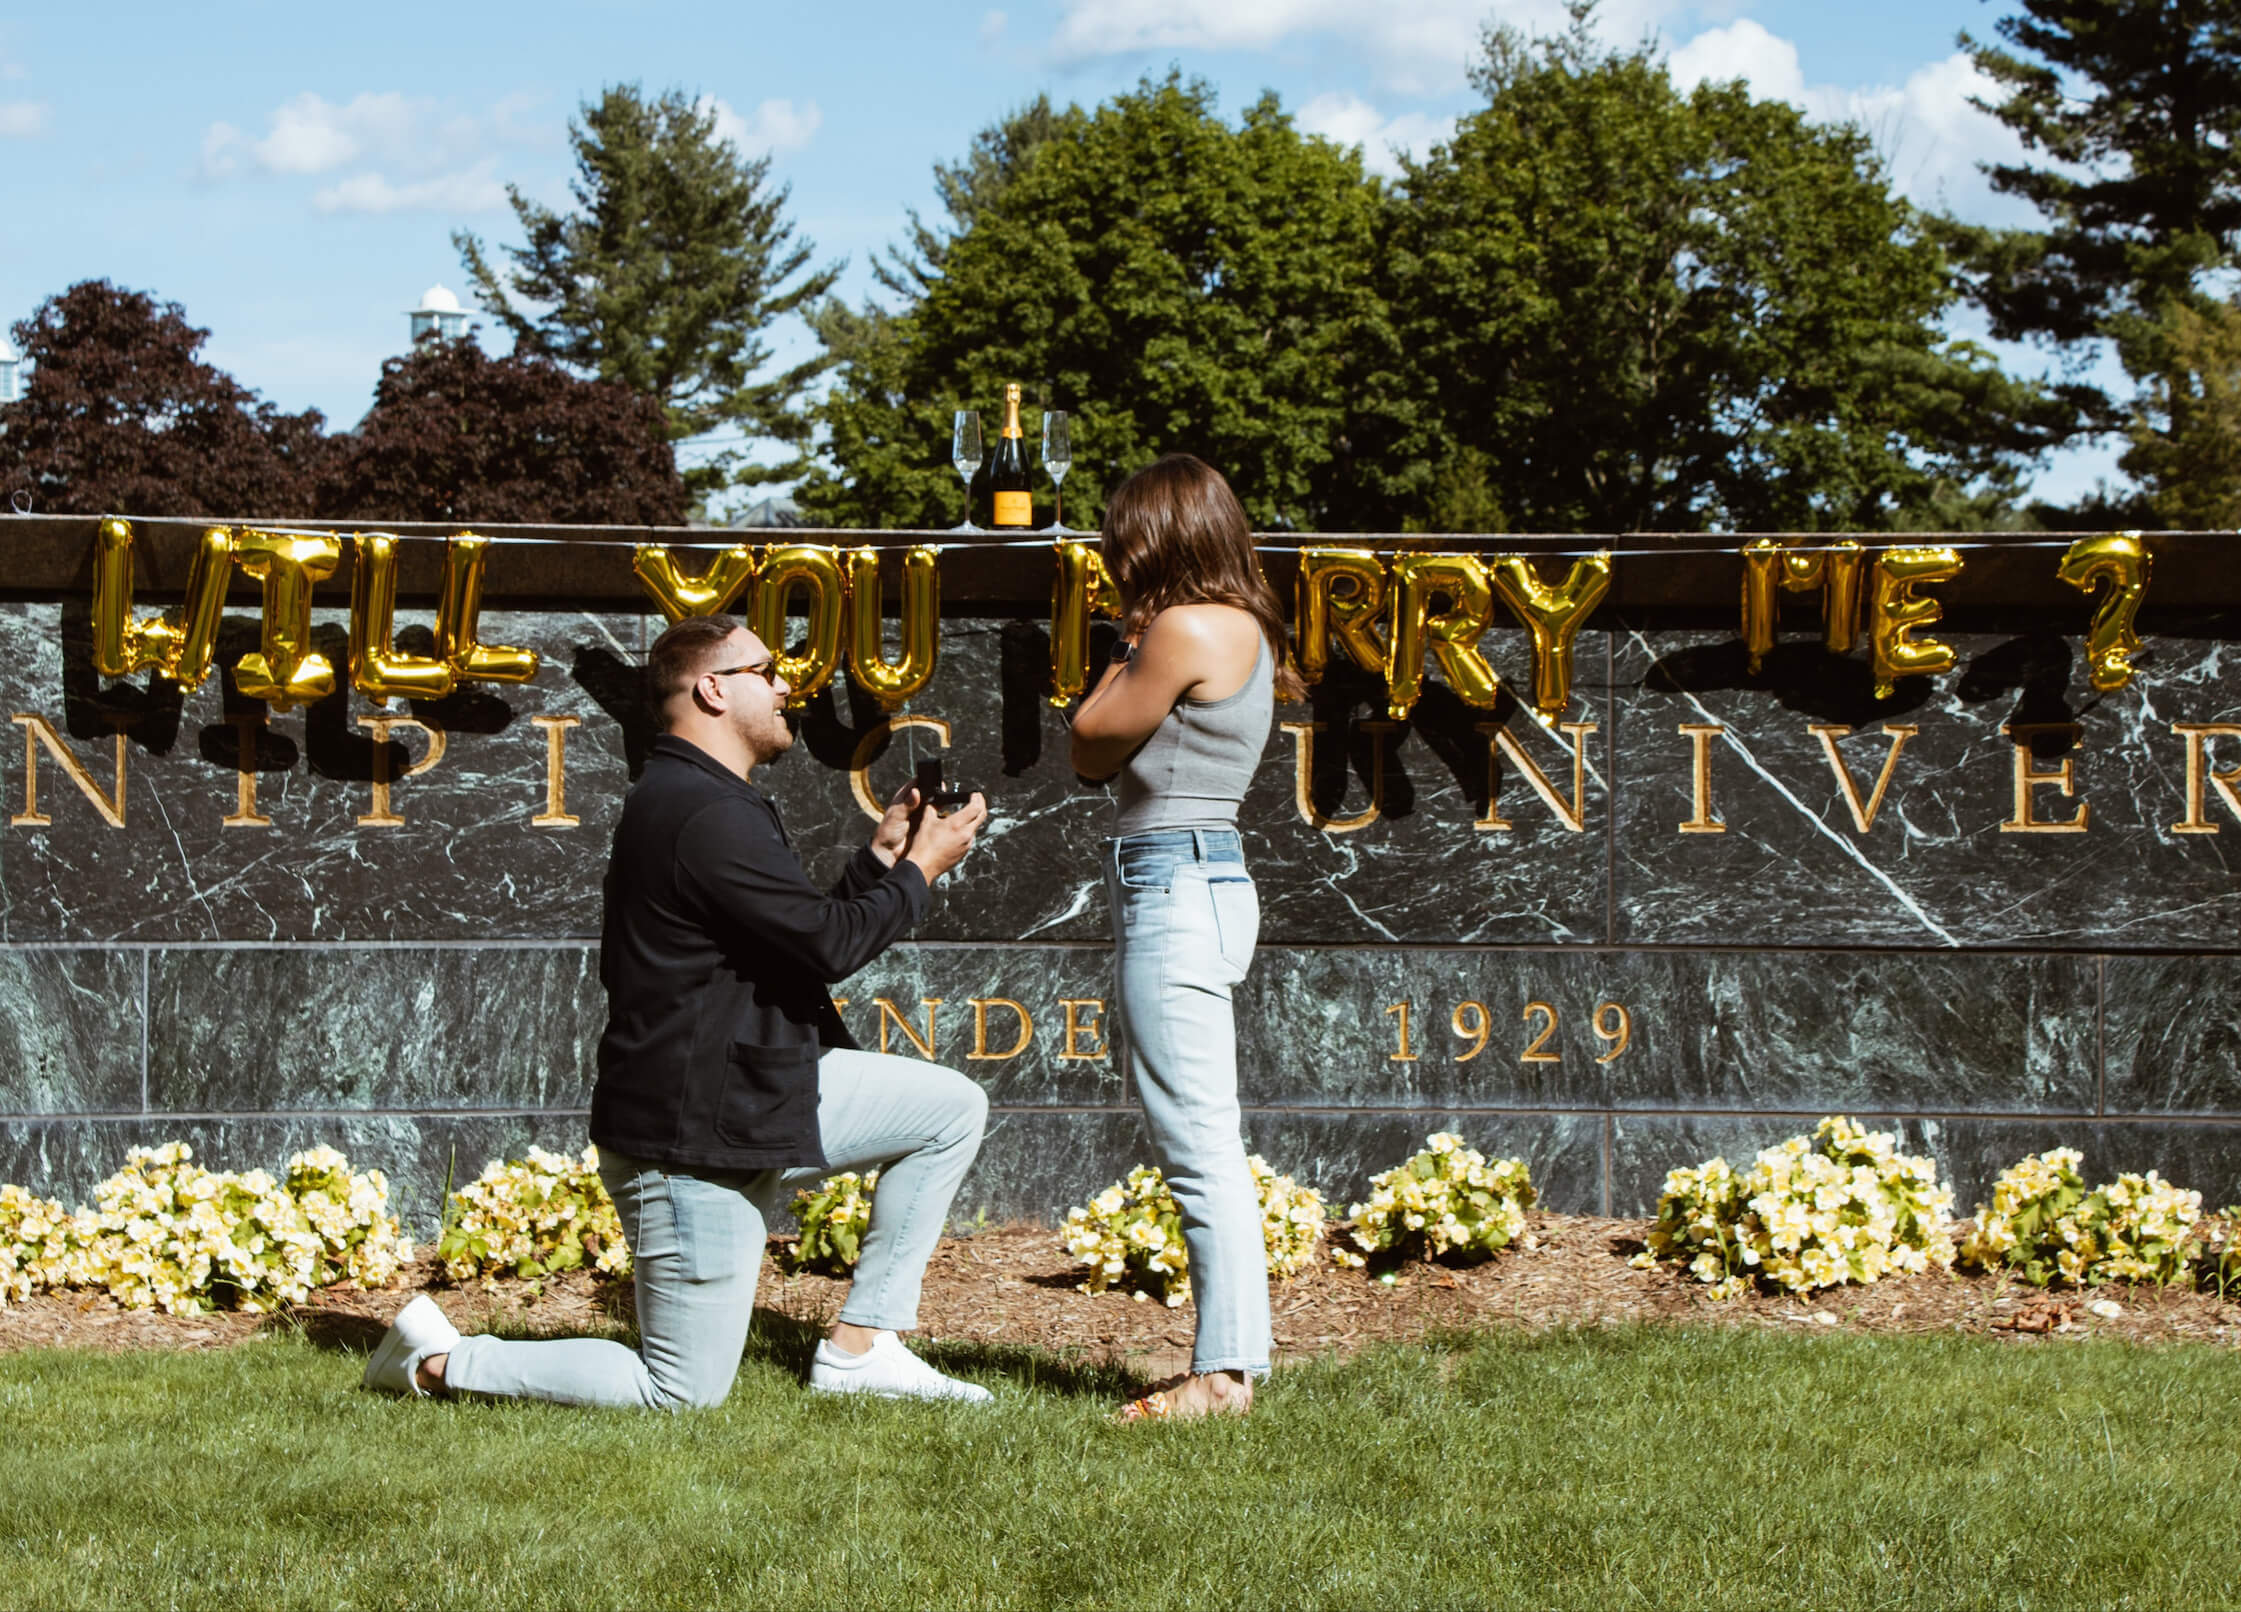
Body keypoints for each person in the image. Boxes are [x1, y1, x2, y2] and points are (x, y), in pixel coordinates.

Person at [363, 613, 995, 1408]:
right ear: (712, 689)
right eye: (766, 671)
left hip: (754, 1095)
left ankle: (863, 1348)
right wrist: (921, 871)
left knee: (948, 1110)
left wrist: (880, 860)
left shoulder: (705, 799)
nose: (784, 684)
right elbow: (829, 949)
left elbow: (794, 942)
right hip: (690, 1137)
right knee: (680, 1391)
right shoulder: (702, 810)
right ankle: (436, 1363)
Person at [1067, 454, 1302, 1420]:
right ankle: (1230, 1364)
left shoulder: (1175, 629)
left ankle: (1223, 1375)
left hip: (1172, 879)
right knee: (1202, 1128)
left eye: (1122, 535)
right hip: (1202, 878)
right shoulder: (1242, 624)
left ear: (1155, 537)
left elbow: (1087, 745)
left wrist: (1117, 658)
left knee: (1198, 1136)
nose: (1110, 551)